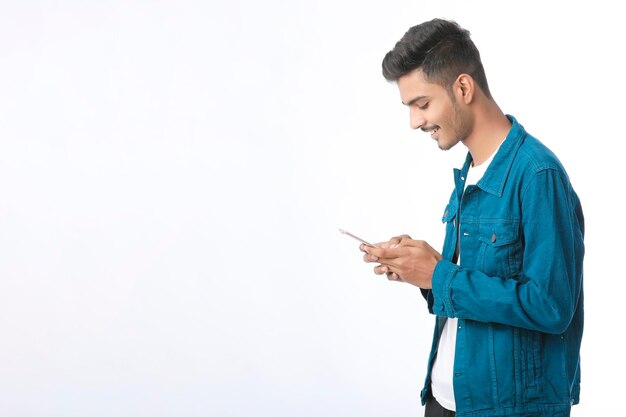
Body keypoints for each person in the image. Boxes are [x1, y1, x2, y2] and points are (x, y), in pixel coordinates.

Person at [360, 18, 585, 417]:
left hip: (506, 408)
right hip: (446, 400)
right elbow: (475, 291)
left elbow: (551, 306)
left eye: (422, 104)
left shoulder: (537, 175)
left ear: (463, 88)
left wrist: (440, 275)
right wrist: (423, 272)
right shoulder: (470, 172)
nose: (414, 122)